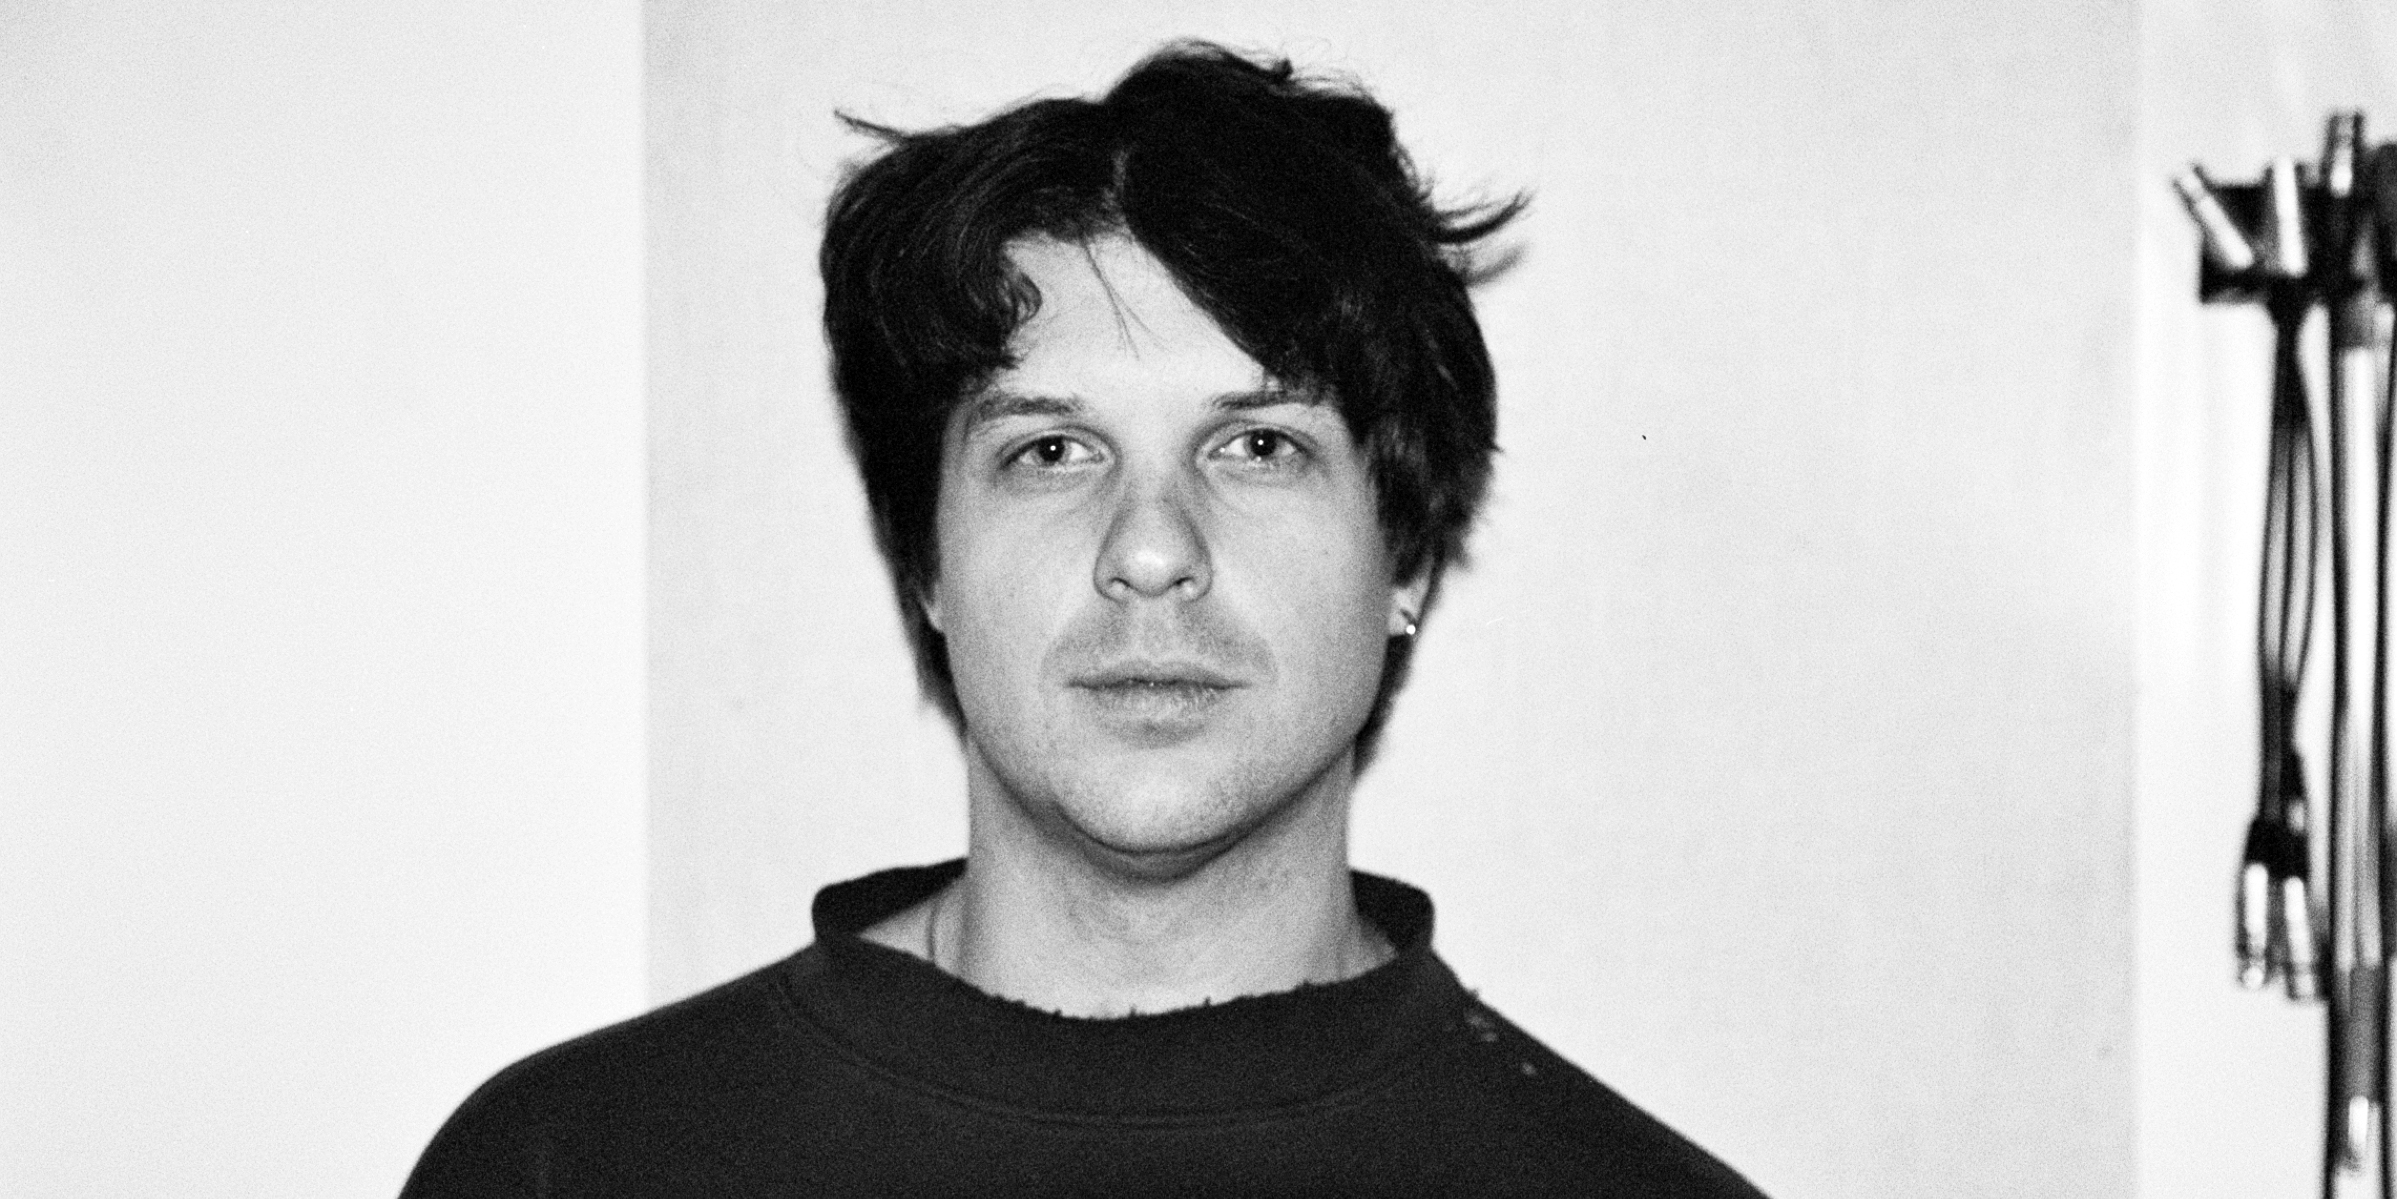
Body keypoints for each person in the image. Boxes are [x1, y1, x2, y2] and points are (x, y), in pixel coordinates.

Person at [402, 42, 1766, 1197]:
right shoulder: (570, 1165)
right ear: (927, 560)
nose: (1152, 550)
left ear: (1403, 553)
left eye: (1259, 446)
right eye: (1051, 451)